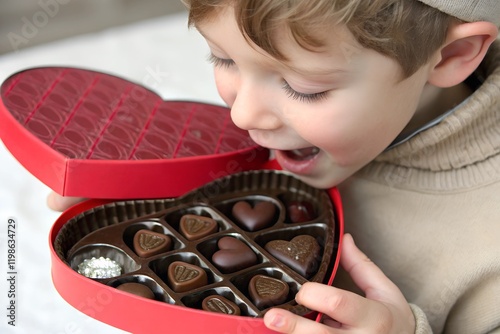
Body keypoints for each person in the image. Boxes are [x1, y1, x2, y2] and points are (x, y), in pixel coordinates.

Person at [48, 0, 500, 333]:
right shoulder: (284, 128)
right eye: (222, 58)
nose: (243, 116)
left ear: (450, 57)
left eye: (302, 87)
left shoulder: (487, 251)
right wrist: (150, 193)